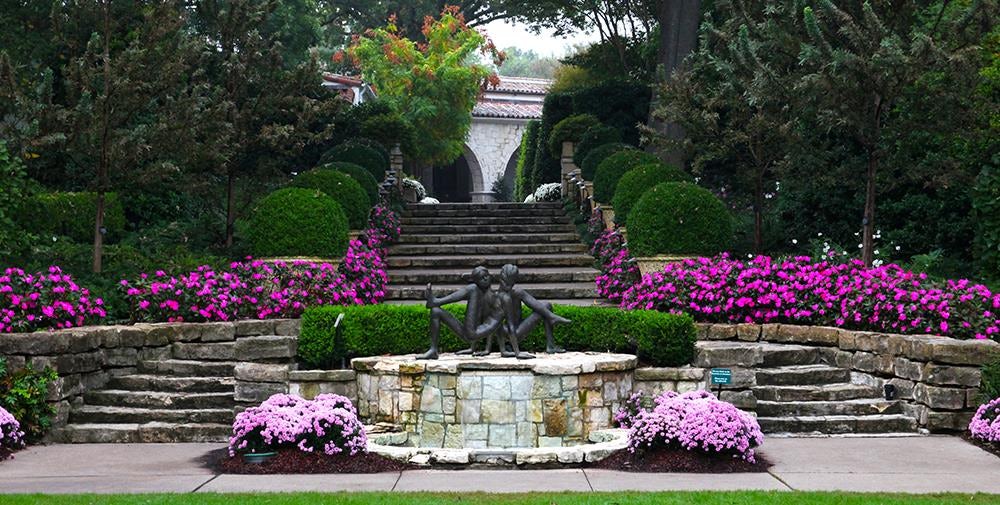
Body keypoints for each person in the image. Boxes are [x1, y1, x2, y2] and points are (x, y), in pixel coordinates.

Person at [479, 264, 570, 358]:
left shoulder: (515, 292)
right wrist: (487, 349)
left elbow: (533, 303)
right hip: (513, 332)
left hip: (518, 327)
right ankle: (551, 317)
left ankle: (550, 341)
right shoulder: (500, 298)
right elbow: (492, 323)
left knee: (546, 305)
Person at [417, 266, 503, 360]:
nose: (485, 279)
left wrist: (487, 350)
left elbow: (493, 324)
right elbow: (478, 320)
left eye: (486, 275)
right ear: (477, 281)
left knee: (472, 289)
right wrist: (472, 348)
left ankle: (436, 301)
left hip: (473, 333)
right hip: (469, 334)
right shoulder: (480, 295)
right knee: (436, 311)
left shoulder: (494, 297)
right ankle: (433, 350)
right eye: (481, 278)